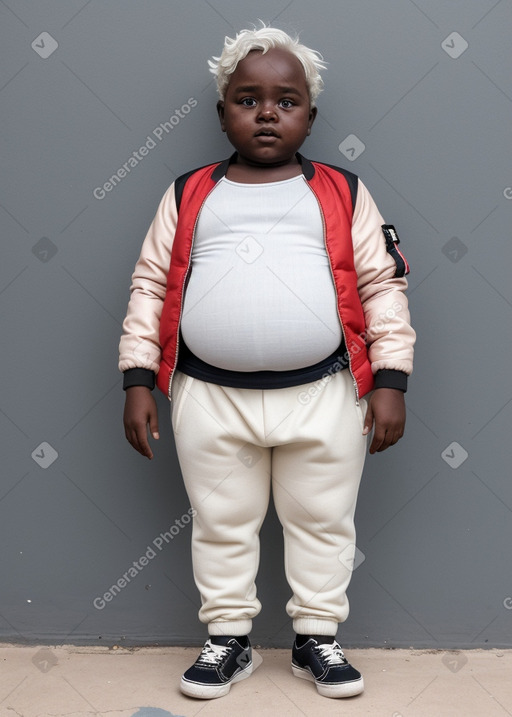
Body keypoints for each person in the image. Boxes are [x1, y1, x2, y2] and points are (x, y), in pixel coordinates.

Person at [119, 24, 415, 701]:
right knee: (221, 520)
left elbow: (381, 285)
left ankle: (318, 637)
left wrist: (392, 380)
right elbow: (150, 285)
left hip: (326, 392)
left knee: (323, 517)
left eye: (287, 100)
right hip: (207, 393)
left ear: (311, 114)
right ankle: (229, 638)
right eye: (247, 99)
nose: (267, 113)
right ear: (222, 111)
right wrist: (138, 377)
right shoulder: (190, 193)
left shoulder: (341, 192)